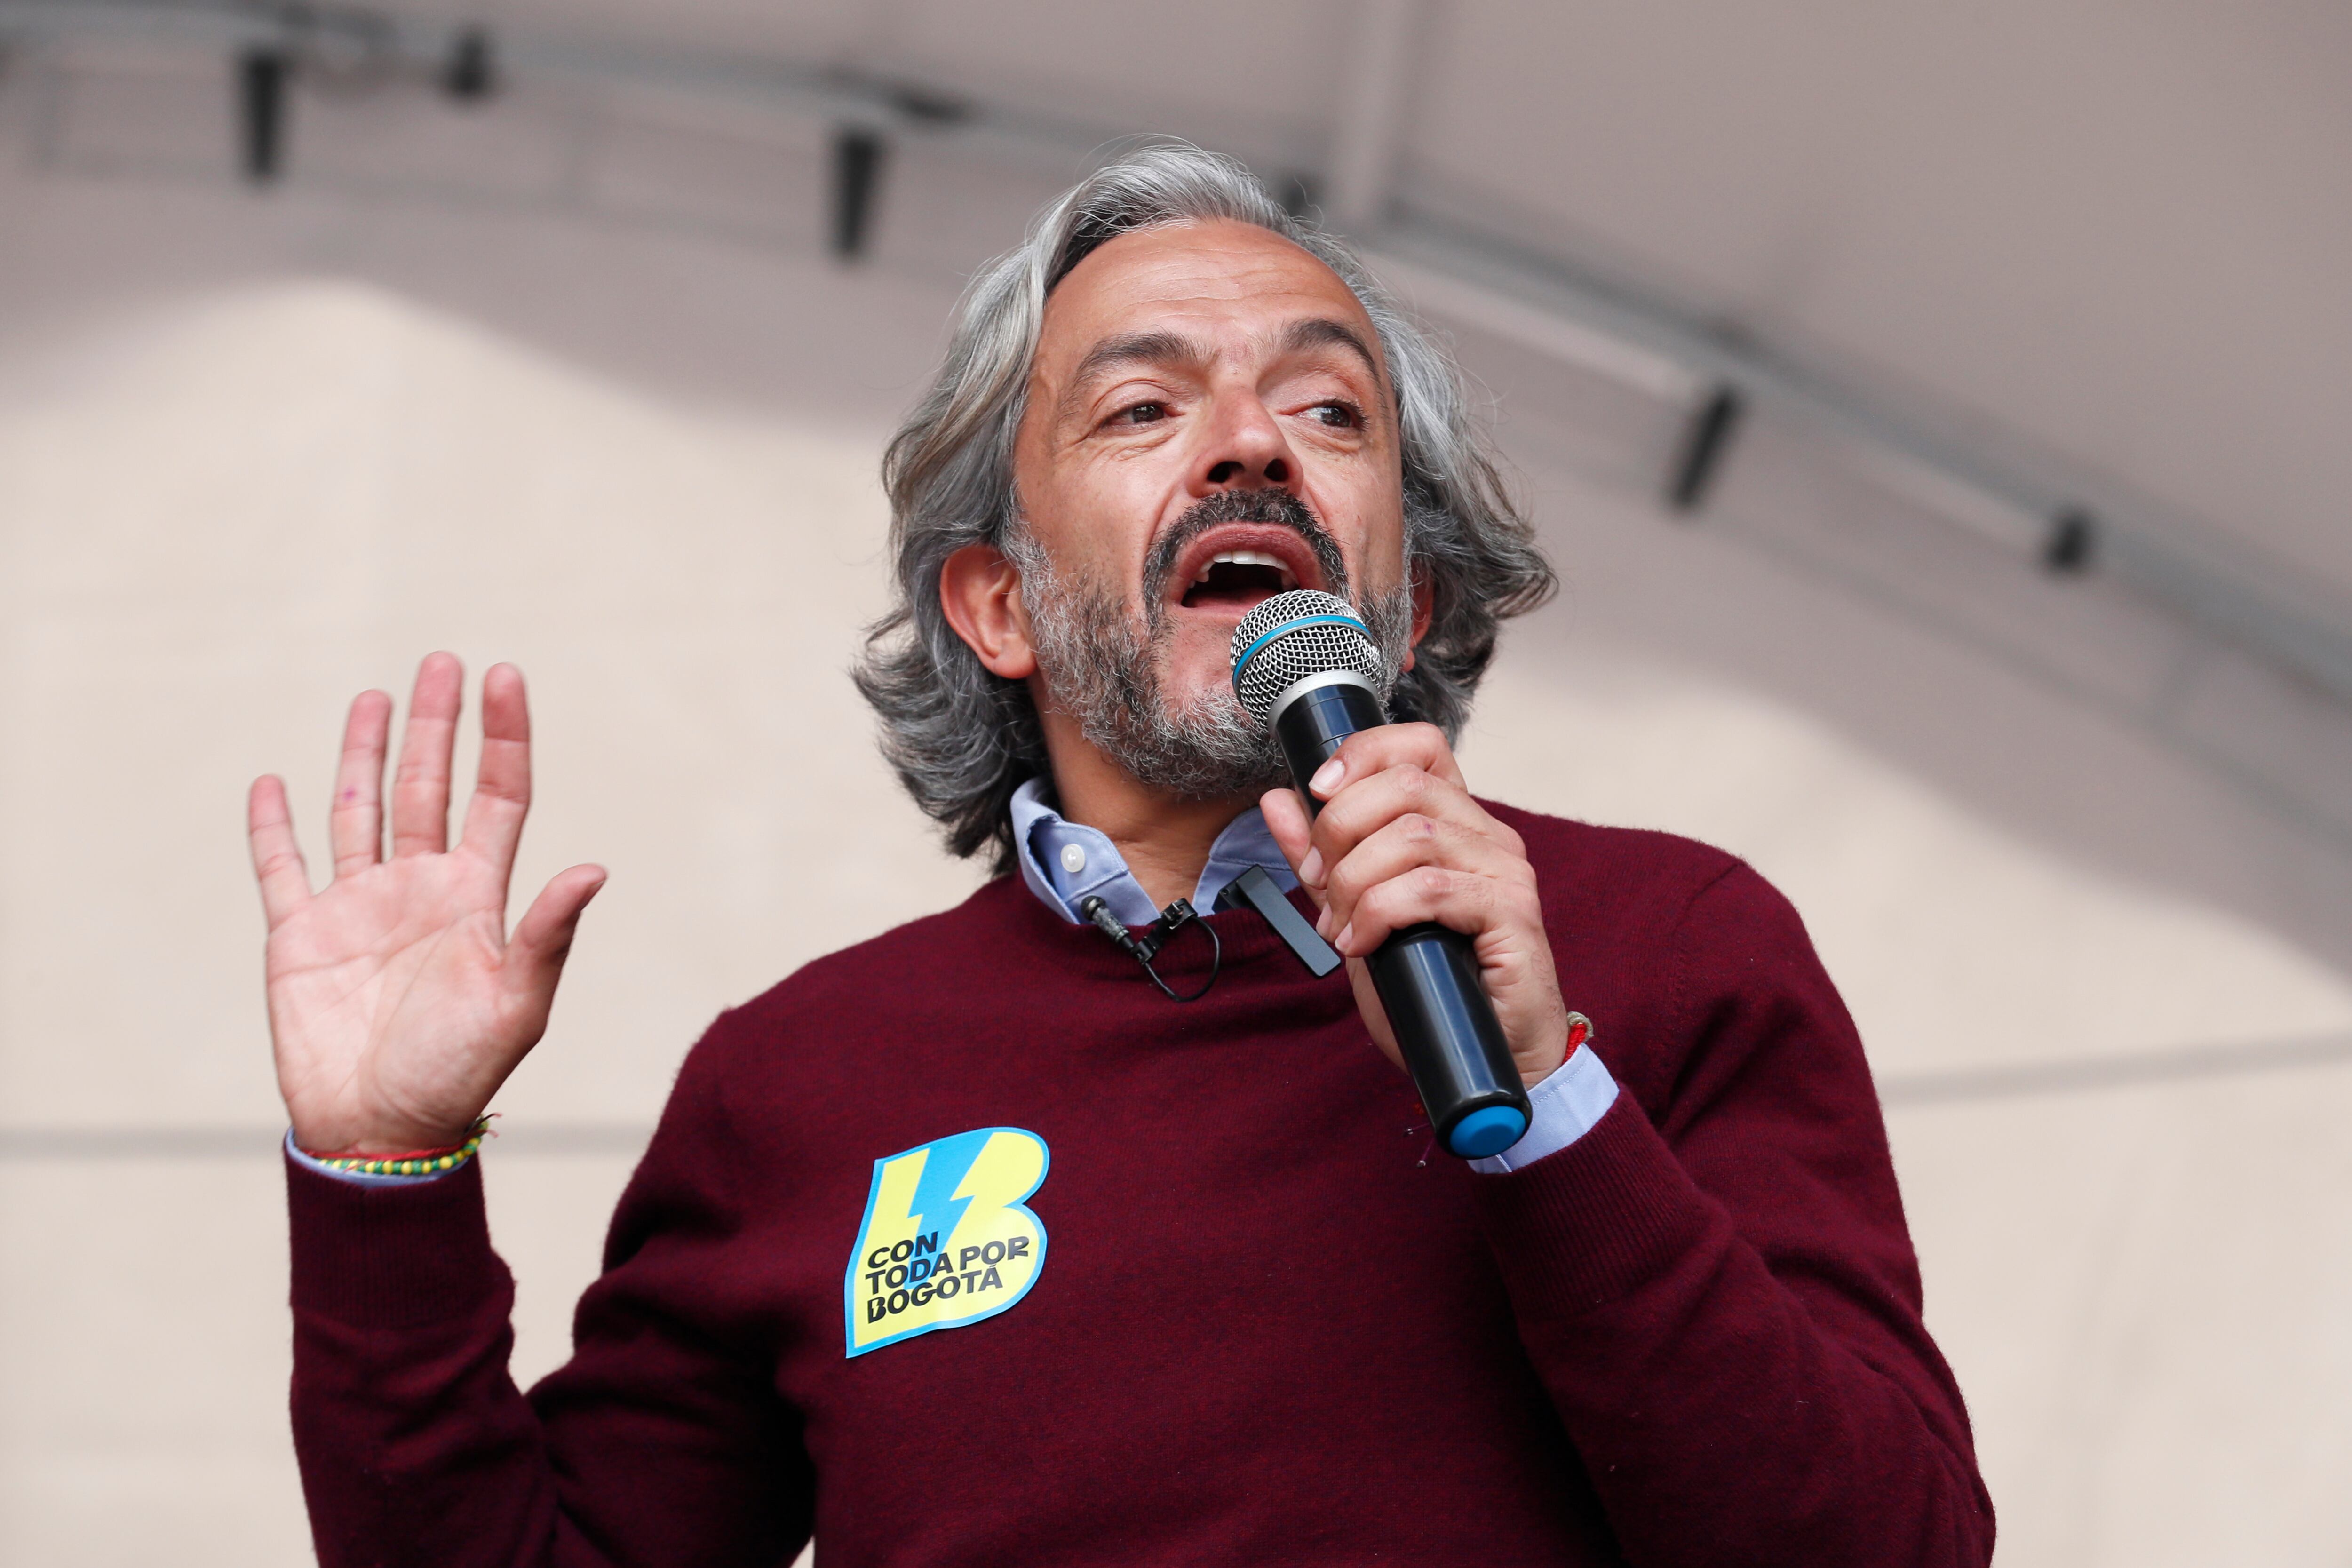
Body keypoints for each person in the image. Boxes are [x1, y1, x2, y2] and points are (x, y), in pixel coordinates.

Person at [249, 145, 1993, 1566]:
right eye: (1143, 411)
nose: (1249, 443)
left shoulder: (1671, 942)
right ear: (997, 603)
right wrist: (382, 1170)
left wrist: (1549, 1110)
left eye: (1329, 413)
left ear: (1416, 592)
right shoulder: (801, 1082)